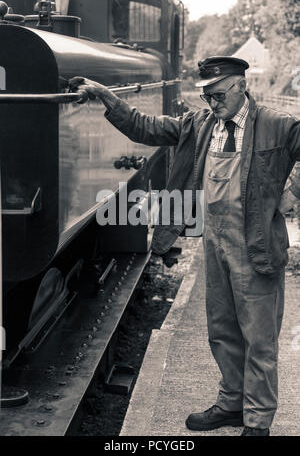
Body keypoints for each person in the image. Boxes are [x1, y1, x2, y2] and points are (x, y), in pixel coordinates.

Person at [69, 56, 300, 436]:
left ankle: (257, 422)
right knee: (222, 330)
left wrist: (291, 193)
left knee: (258, 338)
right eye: (207, 95)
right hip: (215, 240)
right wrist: (105, 96)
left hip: (256, 245)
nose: (212, 102)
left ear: (242, 85)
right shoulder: (201, 124)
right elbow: (144, 127)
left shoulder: (276, 124)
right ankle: (230, 404)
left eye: (219, 93)